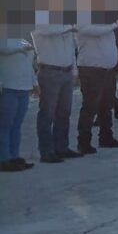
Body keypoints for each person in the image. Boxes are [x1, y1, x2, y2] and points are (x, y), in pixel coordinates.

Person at [31, 22, 78, 163]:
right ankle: (46, 151)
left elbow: (71, 48)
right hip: (49, 71)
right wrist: (70, 27)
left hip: (66, 71)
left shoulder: (65, 25)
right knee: (47, 113)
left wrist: (75, 70)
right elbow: (49, 31)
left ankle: (61, 147)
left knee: (64, 112)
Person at [75, 21, 118, 154]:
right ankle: (83, 142)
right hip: (91, 68)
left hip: (108, 68)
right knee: (90, 106)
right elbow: (89, 30)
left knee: (106, 105)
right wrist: (113, 25)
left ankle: (106, 137)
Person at [0, 38, 37, 172]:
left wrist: (35, 83)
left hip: (24, 87)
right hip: (8, 87)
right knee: (5, 125)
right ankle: (3, 159)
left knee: (16, 125)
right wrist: (20, 49)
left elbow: (29, 65)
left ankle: (14, 156)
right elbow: (4, 49)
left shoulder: (23, 41)